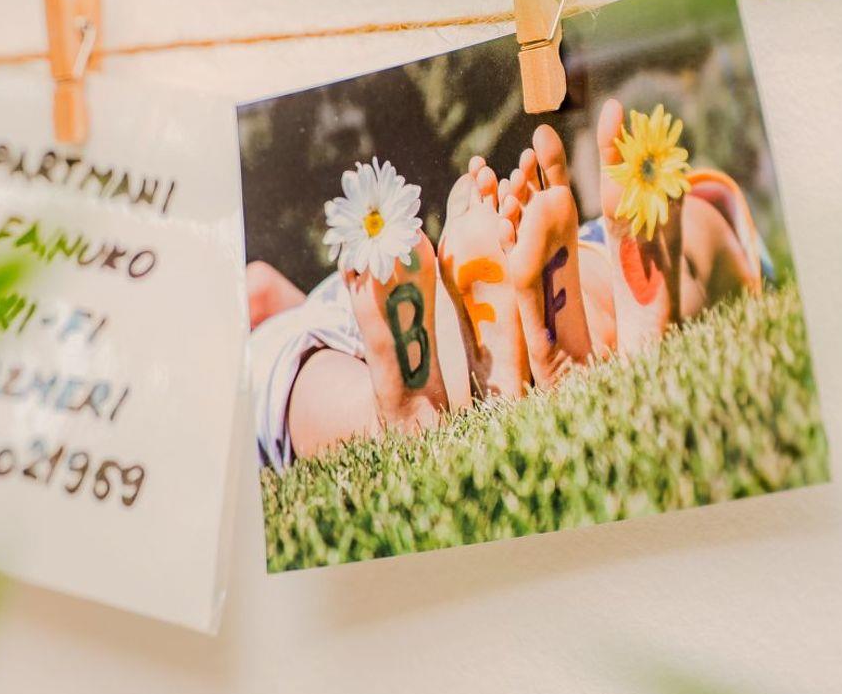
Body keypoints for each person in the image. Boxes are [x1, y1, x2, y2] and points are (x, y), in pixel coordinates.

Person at [247, 97, 770, 472]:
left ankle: (400, 409)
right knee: (689, 225)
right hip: (392, 286)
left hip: (363, 297)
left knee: (290, 374)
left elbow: (258, 295)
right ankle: (605, 303)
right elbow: (260, 287)